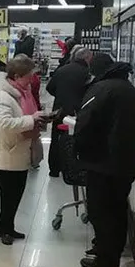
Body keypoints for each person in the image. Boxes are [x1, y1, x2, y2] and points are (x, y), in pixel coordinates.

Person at [72, 53, 135, 267]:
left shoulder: (102, 89)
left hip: (104, 162)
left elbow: (86, 121)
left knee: (101, 212)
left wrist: (79, 147)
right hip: (123, 162)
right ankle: (107, 255)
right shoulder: (127, 88)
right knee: (116, 211)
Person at [0, 54, 51, 245]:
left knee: (16, 193)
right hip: (6, 152)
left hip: (19, 148)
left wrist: (38, 117)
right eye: (29, 75)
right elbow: (5, 123)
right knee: (9, 194)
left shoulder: (23, 91)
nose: (32, 78)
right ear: (16, 75)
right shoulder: (2, 95)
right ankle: (5, 229)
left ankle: (5, 226)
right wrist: (32, 119)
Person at [45, 47, 93, 177]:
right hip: (77, 111)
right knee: (73, 139)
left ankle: (54, 169)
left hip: (59, 109)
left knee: (56, 138)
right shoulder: (87, 73)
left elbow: (49, 88)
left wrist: (60, 96)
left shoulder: (62, 70)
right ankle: (71, 168)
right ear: (87, 59)